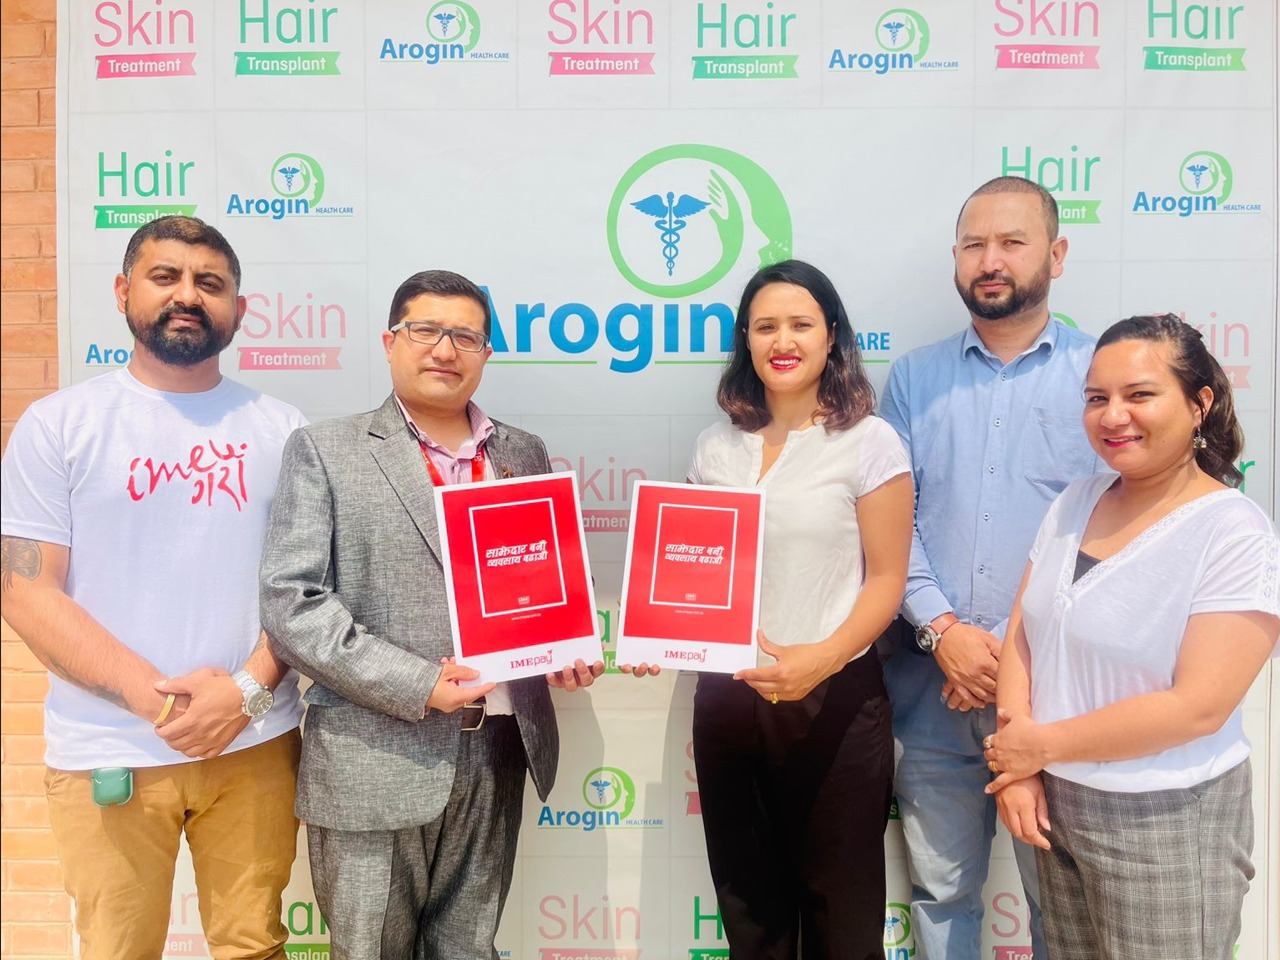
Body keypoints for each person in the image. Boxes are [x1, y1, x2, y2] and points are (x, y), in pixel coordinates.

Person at [258, 269, 604, 960]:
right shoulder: (326, 450)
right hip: (374, 758)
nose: (446, 349)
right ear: (391, 342)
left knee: (470, 951)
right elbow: (292, 604)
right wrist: (418, 682)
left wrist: (567, 645)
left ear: (486, 353)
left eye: (466, 336)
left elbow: (546, 581)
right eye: (425, 330)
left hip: (497, 750)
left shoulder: (522, 453)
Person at [0, 216, 305, 960]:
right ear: (122, 291)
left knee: (254, 946)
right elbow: (26, 591)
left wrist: (246, 692)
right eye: (165, 276)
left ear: (239, 307)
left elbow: (310, 589)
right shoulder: (58, 425)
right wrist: (161, 704)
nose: (188, 296)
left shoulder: (283, 430)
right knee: (117, 949)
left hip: (256, 741)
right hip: (109, 750)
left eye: (210, 283)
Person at [985, 314, 1280, 960]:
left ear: (1200, 404)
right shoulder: (1076, 500)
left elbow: (1198, 707)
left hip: (1164, 820)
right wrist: (1018, 769)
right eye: (1097, 398)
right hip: (1055, 804)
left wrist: (1036, 749)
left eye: (1139, 394)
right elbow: (1025, 633)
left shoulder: (1233, 532)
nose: (1113, 415)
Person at [878, 176, 1101, 958]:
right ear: (956, 258)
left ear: (1057, 255)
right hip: (932, 692)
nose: (991, 260)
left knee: (1061, 907)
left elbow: (1116, 531)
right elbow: (888, 524)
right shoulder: (914, 378)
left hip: (1055, 700)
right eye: (974, 245)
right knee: (941, 899)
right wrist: (943, 631)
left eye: (1012, 242)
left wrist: (1013, 657)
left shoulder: (1099, 377)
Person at [674, 259, 914, 958]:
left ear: (831, 336)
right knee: (751, 918)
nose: (783, 341)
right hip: (728, 699)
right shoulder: (715, 447)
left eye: (801, 324)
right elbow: (694, 574)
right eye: (765, 326)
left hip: (834, 698)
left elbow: (887, 580)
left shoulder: (869, 442)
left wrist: (823, 658)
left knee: (843, 921)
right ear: (746, 340)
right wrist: (665, 635)